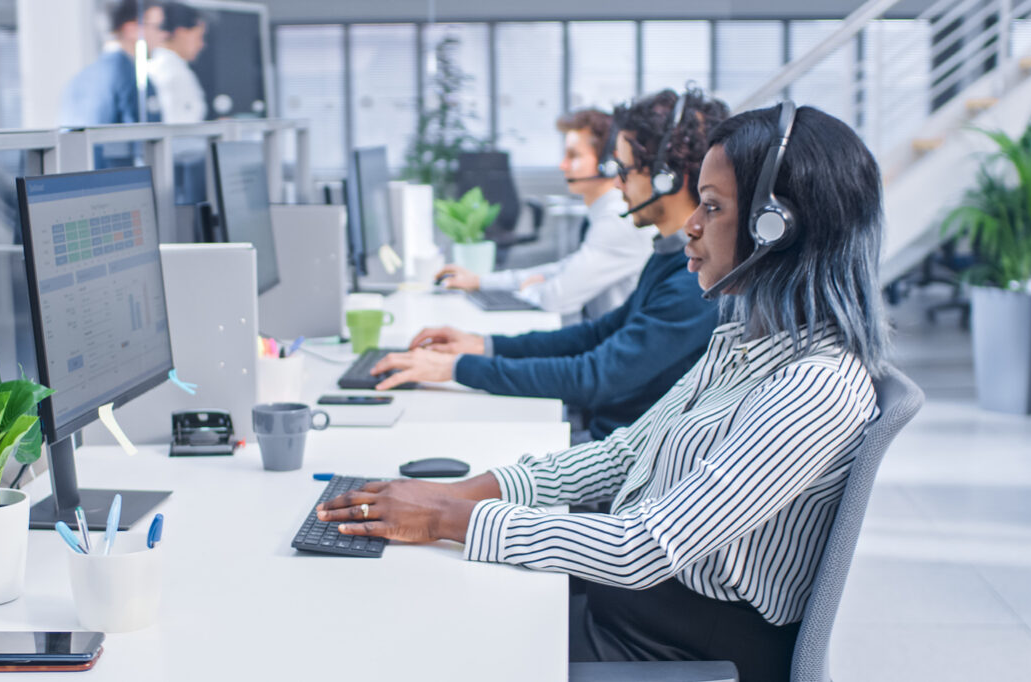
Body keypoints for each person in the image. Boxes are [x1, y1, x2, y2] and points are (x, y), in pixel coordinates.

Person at [320, 103, 891, 682]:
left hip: (679, 654)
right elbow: (622, 457)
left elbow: (641, 547)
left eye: (712, 207)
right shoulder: (742, 340)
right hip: (626, 614)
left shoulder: (816, 387)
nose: (690, 224)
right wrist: (466, 492)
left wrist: (447, 516)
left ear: (777, 231)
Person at [370, 88, 726, 443]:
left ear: (668, 177)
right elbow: (596, 334)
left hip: (617, 456)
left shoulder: (694, 282)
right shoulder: (668, 255)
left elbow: (593, 377)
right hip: (608, 441)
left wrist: (457, 368)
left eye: (624, 169)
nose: (616, 183)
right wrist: (484, 346)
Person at [435, 109, 653, 321]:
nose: (562, 165)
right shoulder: (604, 213)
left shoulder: (618, 220)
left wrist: (531, 289)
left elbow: (557, 297)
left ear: (609, 165)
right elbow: (565, 269)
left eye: (573, 155)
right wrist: (480, 281)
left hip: (612, 348)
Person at [57, 0, 166, 127]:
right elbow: (146, 139)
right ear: (131, 29)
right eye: (158, 27)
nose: (162, 35)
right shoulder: (131, 78)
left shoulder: (80, 78)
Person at [149, 3, 208, 124]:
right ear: (181, 33)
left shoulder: (167, 67)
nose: (201, 44)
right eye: (199, 37)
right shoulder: (171, 73)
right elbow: (180, 127)